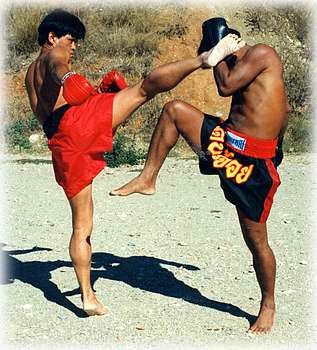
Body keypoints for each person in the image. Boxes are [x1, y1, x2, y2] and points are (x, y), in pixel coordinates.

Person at [25, 10, 244, 316]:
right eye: (70, 39)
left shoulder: (28, 75)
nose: (73, 47)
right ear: (52, 37)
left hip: (61, 144)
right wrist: (69, 77)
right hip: (77, 124)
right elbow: (57, 65)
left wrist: (98, 92)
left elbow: (54, 104)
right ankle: (204, 60)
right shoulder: (52, 57)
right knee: (145, 88)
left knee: (82, 224)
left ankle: (87, 296)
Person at [110, 17, 290, 334]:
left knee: (256, 240)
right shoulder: (235, 64)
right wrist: (214, 55)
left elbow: (226, 86)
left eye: (215, 53)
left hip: (252, 162)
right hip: (226, 142)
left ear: (228, 43)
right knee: (174, 111)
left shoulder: (262, 53)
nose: (214, 61)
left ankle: (268, 304)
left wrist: (279, 146)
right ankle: (148, 178)